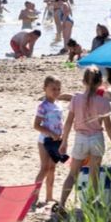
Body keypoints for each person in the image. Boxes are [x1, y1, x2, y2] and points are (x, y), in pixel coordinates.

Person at [53, 67, 111, 216]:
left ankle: (62, 204)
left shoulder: (76, 98)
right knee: (94, 175)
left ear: (83, 81)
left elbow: (69, 122)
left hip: (81, 138)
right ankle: (92, 203)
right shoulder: (103, 102)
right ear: (100, 82)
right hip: (97, 139)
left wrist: (64, 141)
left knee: (73, 174)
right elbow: (108, 127)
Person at [33, 76, 70, 206]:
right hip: (45, 141)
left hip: (57, 141)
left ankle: (49, 196)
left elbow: (60, 123)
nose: (56, 91)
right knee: (44, 168)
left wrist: (64, 138)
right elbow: (36, 125)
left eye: (58, 89)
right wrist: (50, 133)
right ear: (45, 89)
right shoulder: (43, 106)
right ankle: (33, 197)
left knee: (52, 168)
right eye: (53, 89)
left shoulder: (58, 104)